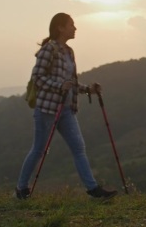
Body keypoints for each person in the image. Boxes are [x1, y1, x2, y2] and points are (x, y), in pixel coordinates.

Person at [15, 12, 117, 200]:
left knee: (79, 147)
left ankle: (93, 189)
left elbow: (71, 83)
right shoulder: (49, 49)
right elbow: (37, 77)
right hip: (47, 109)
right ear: (60, 28)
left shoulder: (69, 52)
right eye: (71, 24)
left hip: (67, 109)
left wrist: (89, 90)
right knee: (39, 149)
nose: (75, 28)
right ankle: (21, 188)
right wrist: (58, 86)